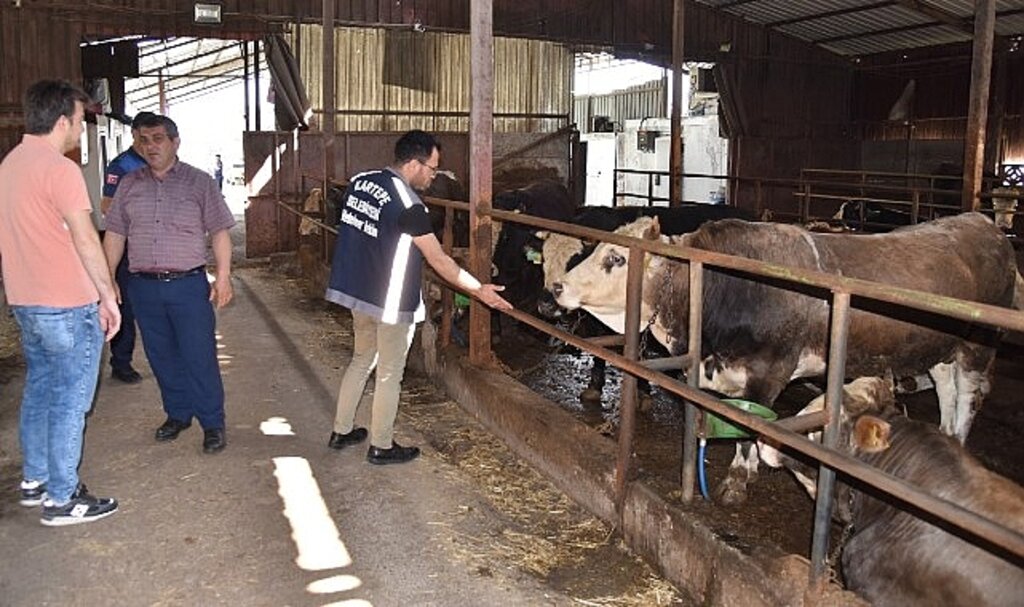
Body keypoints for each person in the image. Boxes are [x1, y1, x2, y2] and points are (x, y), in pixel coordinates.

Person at [326, 130, 512, 465]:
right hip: (391, 299)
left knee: (361, 359)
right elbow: (439, 260)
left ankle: (341, 430)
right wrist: (479, 290)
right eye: (432, 168)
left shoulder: (361, 182)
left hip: (358, 291)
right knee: (388, 372)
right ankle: (381, 445)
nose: (434, 175)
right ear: (413, 164)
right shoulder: (410, 205)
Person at [0, 79, 121, 526]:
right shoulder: (60, 170)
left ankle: (34, 479)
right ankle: (62, 497)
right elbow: (88, 240)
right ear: (62, 120)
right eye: (80, 119)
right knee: (72, 399)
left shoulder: (10, 165)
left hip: (26, 301)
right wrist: (107, 295)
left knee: (41, 390)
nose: (81, 128)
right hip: (67, 304)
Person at [103, 114, 235, 455]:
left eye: (157, 138)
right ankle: (177, 414)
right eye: (143, 140)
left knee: (199, 355)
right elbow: (115, 234)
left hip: (187, 286)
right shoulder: (129, 184)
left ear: (175, 142)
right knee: (160, 355)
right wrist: (107, 279)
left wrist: (222, 277)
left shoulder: (199, 182)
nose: (150, 146)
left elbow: (219, 231)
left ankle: (212, 422)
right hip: (143, 286)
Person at [100, 111, 157, 384]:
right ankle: (121, 362)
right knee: (125, 305)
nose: (149, 143)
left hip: (155, 246)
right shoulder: (122, 165)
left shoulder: (159, 163)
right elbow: (106, 205)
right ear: (134, 134)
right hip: (127, 246)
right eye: (143, 136)